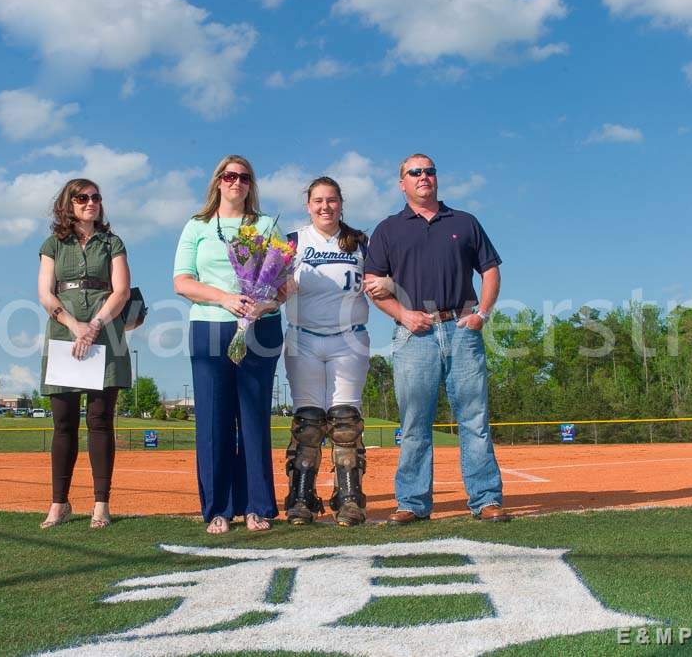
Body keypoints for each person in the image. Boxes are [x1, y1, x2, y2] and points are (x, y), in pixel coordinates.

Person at [363, 153, 508, 524]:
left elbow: (490, 271)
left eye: (429, 171)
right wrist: (403, 315)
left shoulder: (463, 222)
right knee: (415, 423)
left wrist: (482, 315)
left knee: (474, 419)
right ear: (402, 183)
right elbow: (372, 286)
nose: (423, 176)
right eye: (415, 172)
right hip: (415, 334)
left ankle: (485, 499)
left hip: (461, 329)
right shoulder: (388, 229)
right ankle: (412, 502)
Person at [173, 155, 283, 535]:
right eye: (229, 176)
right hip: (210, 329)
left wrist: (264, 303)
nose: (236, 182)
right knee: (214, 421)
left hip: (261, 330)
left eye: (244, 177)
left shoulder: (266, 225)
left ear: (251, 184)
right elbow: (182, 282)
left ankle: (257, 506)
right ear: (218, 181)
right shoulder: (197, 226)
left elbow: (282, 283)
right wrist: (224, 298)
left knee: (253, 419)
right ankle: (219, 507)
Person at [37, 178, 132, 529]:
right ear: (69, 203)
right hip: (64, 333)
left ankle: (100, 504)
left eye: (95, 197)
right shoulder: (53, 244)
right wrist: (74, 325)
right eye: (82, 198)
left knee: (100, 421)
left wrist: (93, 326)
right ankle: (59, 504)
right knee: (63, 423)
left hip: (105, 334)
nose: (90, 202)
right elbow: (46, 293)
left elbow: (120, 291)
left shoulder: (112, 242)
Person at [282, 176, 371, 526]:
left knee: (346, 421)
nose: (325, 207)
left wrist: (385, 283)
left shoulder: (360, 243)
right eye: (318, 201)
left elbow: (385, 279)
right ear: (308, 205)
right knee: (308, 422)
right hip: (303, 338)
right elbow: (269, 287)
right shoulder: (291, 242)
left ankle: (349, 498)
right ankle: (301, 498)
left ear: (341, 203)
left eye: (332, 200)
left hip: (348, 339)